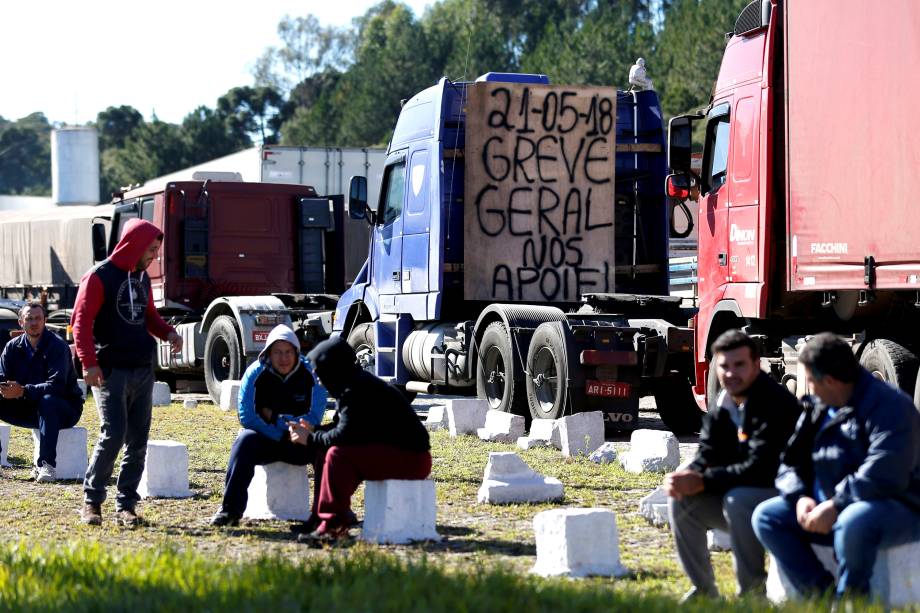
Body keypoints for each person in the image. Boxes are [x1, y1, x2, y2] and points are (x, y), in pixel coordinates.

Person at [753, 333, 920, 600]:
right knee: (767, 516)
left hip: (898, 505)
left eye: (810, 382)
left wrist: (835, 505)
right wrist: (799, 497)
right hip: (829, 504)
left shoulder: (891, 407)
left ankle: (853, 600)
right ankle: (824, 596)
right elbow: (791, 461)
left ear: (829, 380)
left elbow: (886, 470)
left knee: (853, 522)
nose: (809, 390)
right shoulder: (821, 405)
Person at [664, 329, 800, 601]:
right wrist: (688, 475)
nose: (730, 373)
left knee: (738, 500)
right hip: (744, 491)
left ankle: (752, 594)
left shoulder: (775, 402)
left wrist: (704, 481)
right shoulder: (723, 402)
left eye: (739, 365)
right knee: (682, 500)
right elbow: (708, 452)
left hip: (786, 497)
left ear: (756, 364)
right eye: (724, 366)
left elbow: (762, 468)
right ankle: (705, 591)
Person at [71, 219, 182, 527]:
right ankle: (92, 502)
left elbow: (149, 317)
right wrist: (88, 362)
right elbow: (81, 322)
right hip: (109, 371)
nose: (154, 256)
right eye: (151, 249)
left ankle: (126, 506)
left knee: (138, 440)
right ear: (135, 245)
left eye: (157, 250)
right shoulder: (98, 277)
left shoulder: (142, 278)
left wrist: (168, 333)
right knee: (114, 434)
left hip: (143, 369)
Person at [288, 336, 431, 543]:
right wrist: (315, 431)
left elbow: (344, 435)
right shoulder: (354, 383)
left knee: (337, 454)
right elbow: (346, 427)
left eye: (319, 372)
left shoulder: (356, 389)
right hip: (399, 454)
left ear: (333, 368)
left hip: (411, 460)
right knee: (324, 451)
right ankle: (321, 519)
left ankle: (334, 527)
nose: (317, 379)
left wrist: (310, 438)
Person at [209, 324, 327, 527]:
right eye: (278, 352)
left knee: (325, 447)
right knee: (244, 440)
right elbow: (247, 415)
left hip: (298, 438)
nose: (284, 358)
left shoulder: (311, 374)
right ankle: (230, 510)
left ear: (297, 352)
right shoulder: (254, 373)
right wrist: (280, 430)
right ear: (268, 353)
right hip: (268, 439)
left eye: (288, 352)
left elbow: (315, 415)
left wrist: (276, 418)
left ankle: (323, 514)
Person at [0, 302, 84, 482]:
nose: (34, 322)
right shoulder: (12, 347)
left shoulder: (57, 346)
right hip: (29, 408)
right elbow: (2, 377)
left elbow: (57, 386)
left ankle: (46, 465)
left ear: (45, 321)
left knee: (48, 400)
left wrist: (22, 391)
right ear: (21, 322)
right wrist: (5, 388)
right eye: (29, 318)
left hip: (64, 408)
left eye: (38, 318)